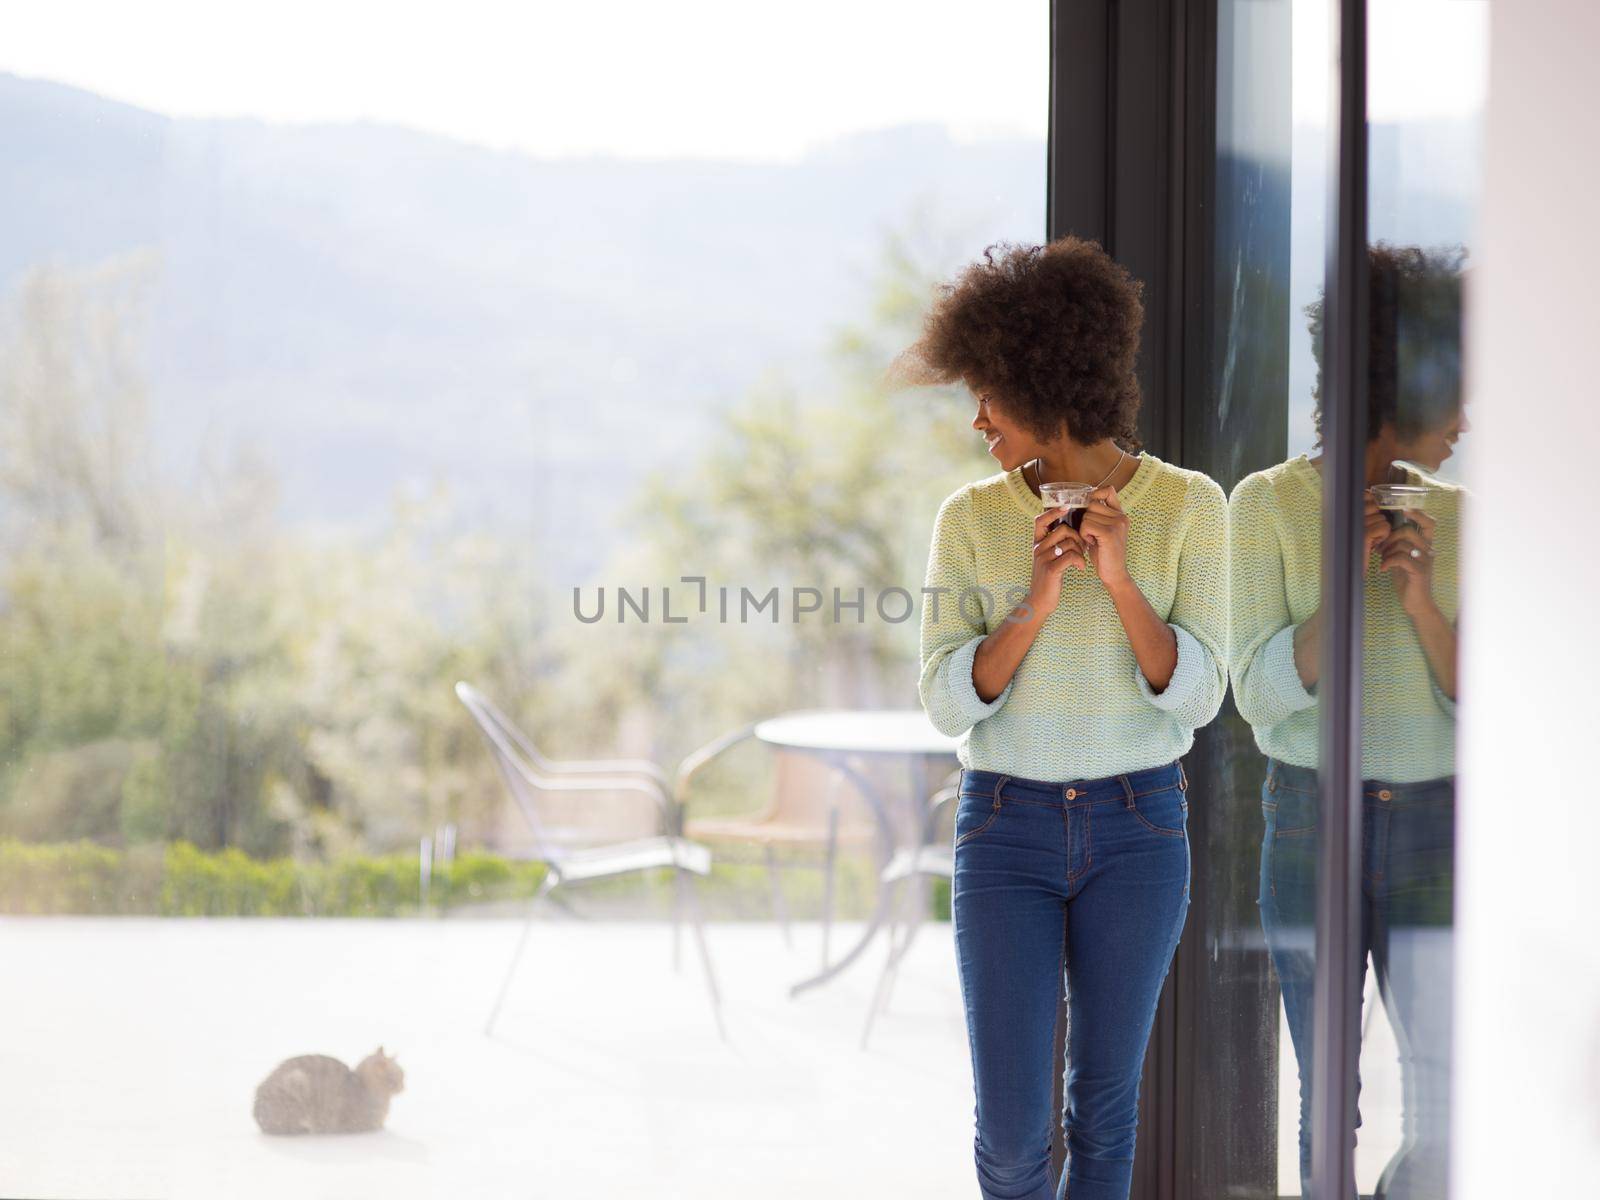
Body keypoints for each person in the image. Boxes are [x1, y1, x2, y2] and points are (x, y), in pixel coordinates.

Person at [902, 236, 1227, 1200]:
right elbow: (943, 699)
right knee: (1010, 1136)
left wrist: (1121, 582)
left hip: (1139, 829)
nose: (975, 422)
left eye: (985, 396)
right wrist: (1035, 604)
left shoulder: (1187, 507)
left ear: (1038, 383)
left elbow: (1199, 695)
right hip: (1006, 828)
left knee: (1105, 1113)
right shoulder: (968, 518)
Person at [1228, 242, 1465, 1200]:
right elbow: (1259, 695)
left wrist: (1419, 600)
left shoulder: (1462, 517)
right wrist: (1345, 586)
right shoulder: (1268, 507)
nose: (1466, 423)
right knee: (1330, 1099)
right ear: (1408, 382)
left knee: (1447, 1103)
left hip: (1436, 824)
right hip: (1309, 821)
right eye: (1458, 392)